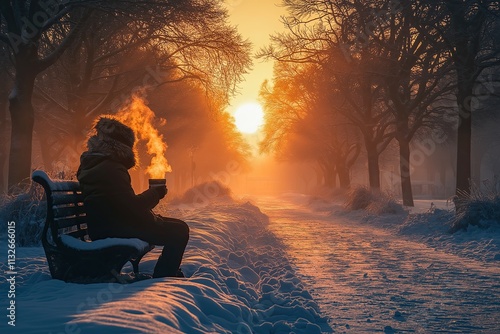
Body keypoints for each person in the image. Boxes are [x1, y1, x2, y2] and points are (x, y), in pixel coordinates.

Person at [77, 116, 189, 278]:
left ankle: (168, 271)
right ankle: (165, 275)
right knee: (179, 230)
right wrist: (155, 194)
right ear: (122, 146)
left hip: (107, 224)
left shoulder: (96, 163)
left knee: (177, 225)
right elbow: (133, 207)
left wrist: (152, 213)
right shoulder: (112, 168)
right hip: (115, 227)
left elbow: (122, 203)